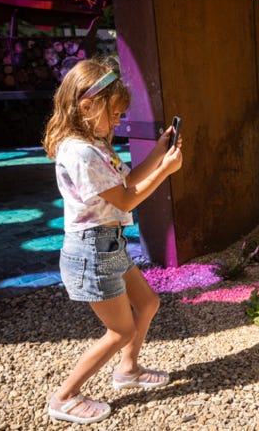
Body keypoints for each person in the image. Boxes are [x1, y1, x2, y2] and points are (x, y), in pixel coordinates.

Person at [42, 57, 182, 424]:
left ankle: (128, 370)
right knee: (121, 330)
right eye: (115, 114)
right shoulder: (81, 152)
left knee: (147, 303)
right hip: (91, 251)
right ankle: (64, 396)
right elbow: (126, 199)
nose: (118, 122)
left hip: (109, 245)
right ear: (88, 106)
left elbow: (126, 182)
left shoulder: (95, 144)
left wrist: (158, 151)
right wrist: (165, 171)